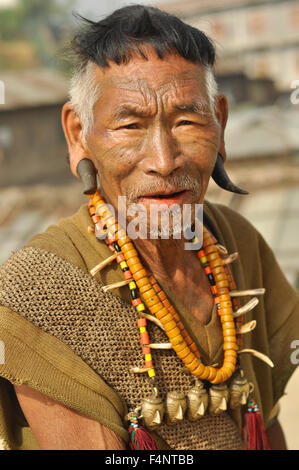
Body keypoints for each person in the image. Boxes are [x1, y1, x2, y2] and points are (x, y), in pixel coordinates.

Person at [0, 5, 298, 451]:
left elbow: (268, 426)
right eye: (129, 125)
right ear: (78, 134)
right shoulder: (40, 293)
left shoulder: (238, 244)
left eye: (187, 121)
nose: (163, 160)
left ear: (221, 122)